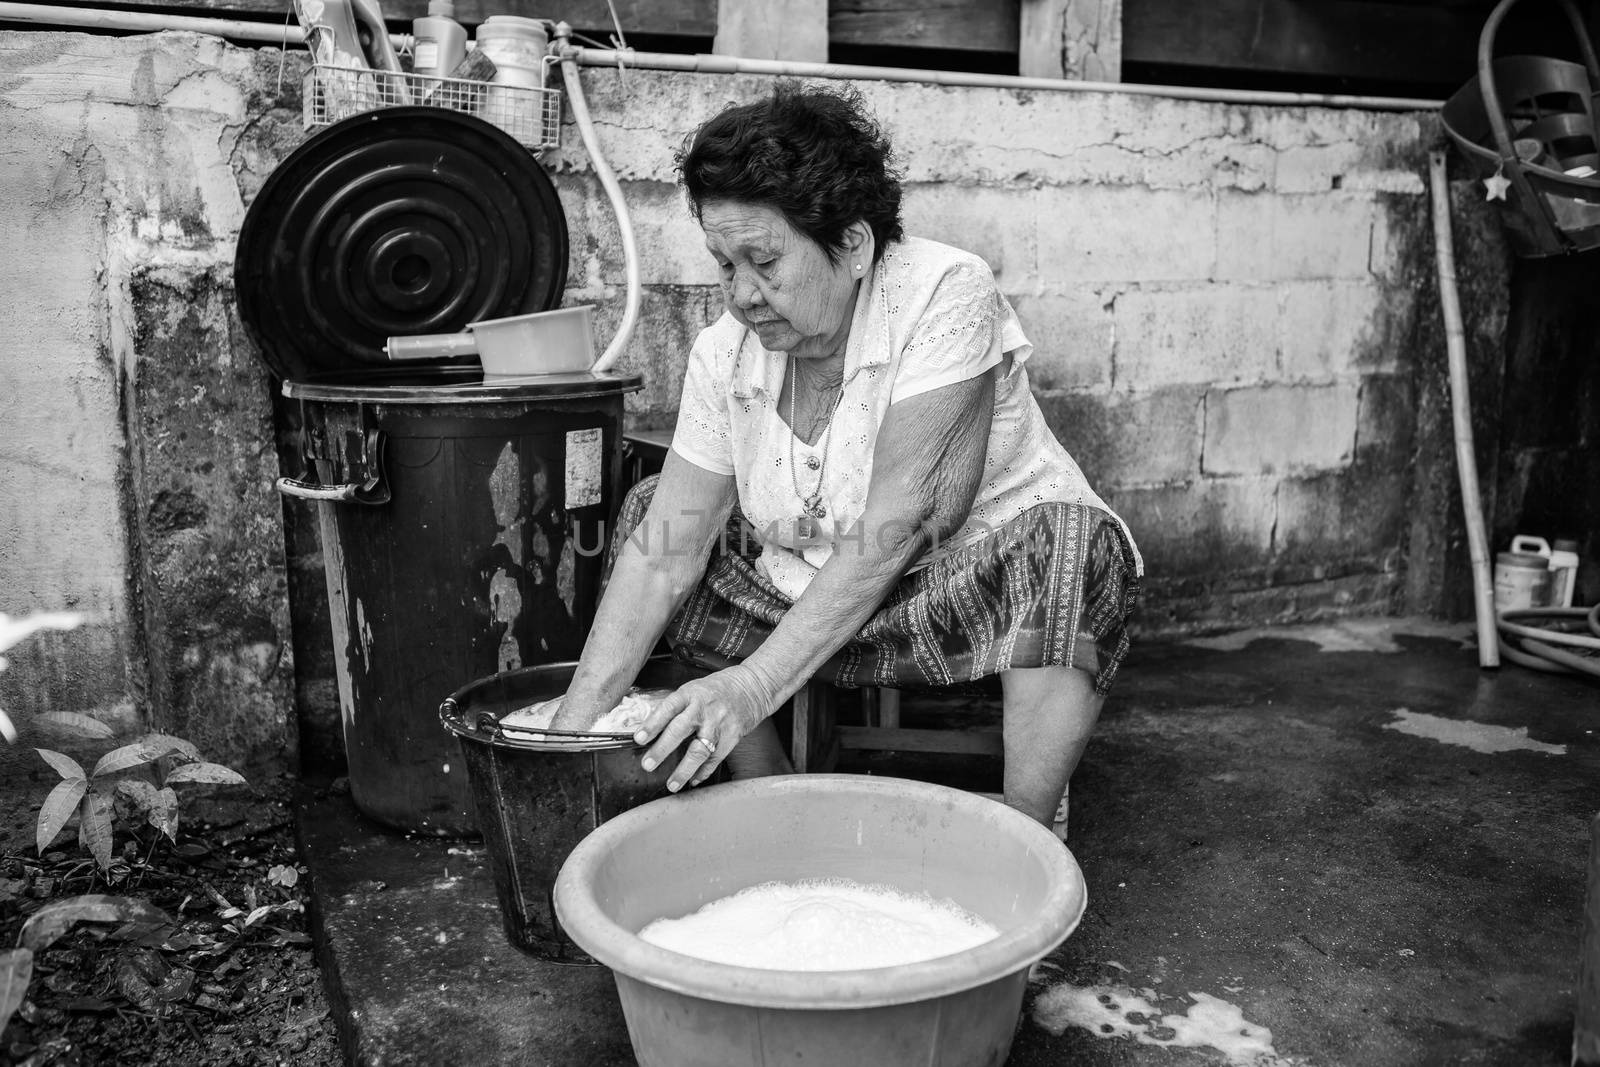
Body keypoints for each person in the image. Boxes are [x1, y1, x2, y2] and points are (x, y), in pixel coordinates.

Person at [550, 82, 1141, 828]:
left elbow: (901, 525)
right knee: (655, 520)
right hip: (802, 590)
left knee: (1072, 547)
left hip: (951, 588)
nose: (742, 294)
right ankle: (772, 804)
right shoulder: (725, 354)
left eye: (764, 261)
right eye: (725, 264)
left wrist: (752, 683)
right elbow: (663, 558)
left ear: (853, 245)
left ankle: (1023, 840)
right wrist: (562, 736)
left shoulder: (943, 292)